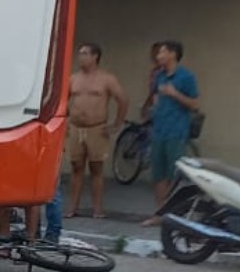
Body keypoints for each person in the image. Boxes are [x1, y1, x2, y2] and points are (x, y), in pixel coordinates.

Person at [65, 42, 129, 218]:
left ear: (95, 57)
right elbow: (63, 101)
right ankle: (72, 207)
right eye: (80, 53)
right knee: (76, 167)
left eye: (85, 53)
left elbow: (122, 100)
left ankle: (97, 208)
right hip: (76, 127)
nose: (81, 57)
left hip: (97, 128)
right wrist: (66, 121)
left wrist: (117, 124)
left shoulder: (106, 79)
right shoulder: (73, 78)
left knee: (96, 168)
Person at [141, 39, 200, 226]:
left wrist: (175, 94)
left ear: (173, 54)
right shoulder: (159, 76)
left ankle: (176, 214)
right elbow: (155, 98)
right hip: (159, 131)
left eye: (162, 52)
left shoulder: (186, 77)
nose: (158, 56)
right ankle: (160, 214)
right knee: (158, 176)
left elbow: (195, 104)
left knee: (174, 176)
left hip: (176, 132)